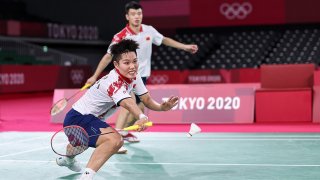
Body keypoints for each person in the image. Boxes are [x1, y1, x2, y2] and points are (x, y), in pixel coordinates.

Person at [56, 39, 179, 180]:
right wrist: (141, 117)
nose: (132, 66)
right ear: (116, 64)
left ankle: (68, 160)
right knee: (115, 140)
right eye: (127, 63)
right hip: (78, 117)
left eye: (135, 61)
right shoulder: (114, 82)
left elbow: (146, 100)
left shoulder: (134, 75)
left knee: (80, 144)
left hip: (90, 119)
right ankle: (86, 178)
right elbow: (127, 102)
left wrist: (162, 107)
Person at [86, 1, 198, 151]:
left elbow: (163, 40)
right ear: (127, 16)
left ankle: (123, 131)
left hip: (142, 77)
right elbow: (108, 56)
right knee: (129, 104)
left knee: (139, 111)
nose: (137, 16)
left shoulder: (149, 30)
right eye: (133, 14)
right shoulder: (121, 36)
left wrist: (185, 47)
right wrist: (95, 75)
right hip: (126, 77)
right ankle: (116, 139)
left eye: (139, 13)